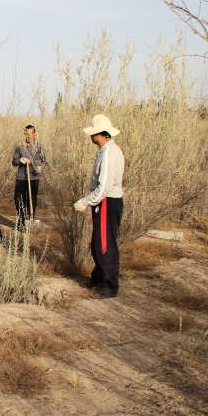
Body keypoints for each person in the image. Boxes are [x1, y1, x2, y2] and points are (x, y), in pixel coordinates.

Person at [73, 115, 124, 299]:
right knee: (98, 243)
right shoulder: (108, 150)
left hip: (106, 202)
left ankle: (109, 286)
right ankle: (99, 279)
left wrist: (85, 201)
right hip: (106, 202)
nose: (91, 137)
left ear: (100, 134)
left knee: (104, 245)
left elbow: (103, 187)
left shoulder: (109, 153)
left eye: (93, 133)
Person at [11, 123, 48, 231]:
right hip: (21, 177)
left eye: (31, 134)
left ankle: (29, 221)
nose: (29, 136)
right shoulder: (20, 146)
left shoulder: (39, 147)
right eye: (27, 134)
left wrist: (38, 165)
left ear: (34, 134)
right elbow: (14, 161)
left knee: (32, 200)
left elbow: (44, 161)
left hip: (34, 177)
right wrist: (20, 160)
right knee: (18, 199)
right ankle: (21, 221)